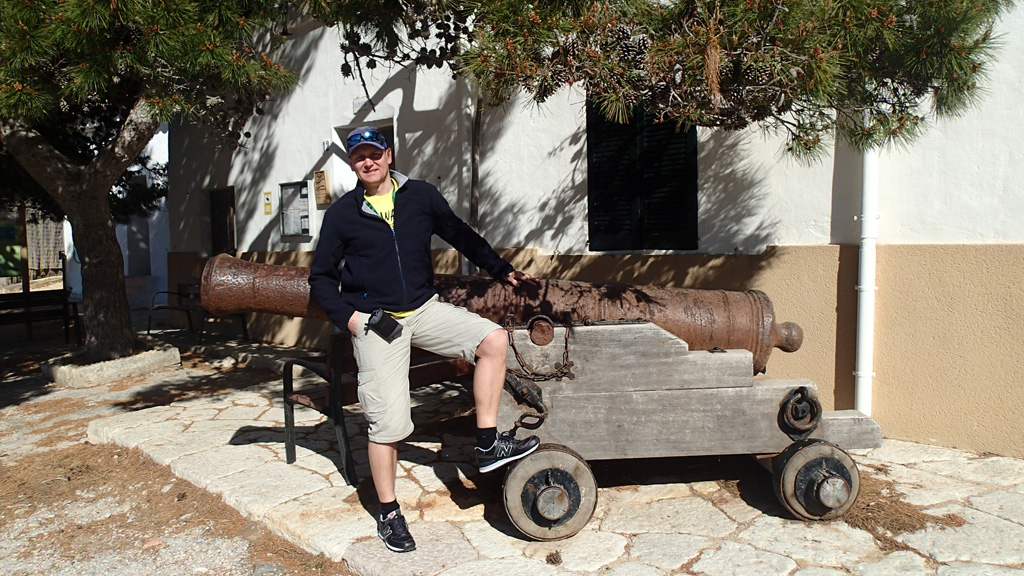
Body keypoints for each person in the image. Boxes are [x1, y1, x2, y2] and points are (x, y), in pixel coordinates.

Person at [308, 126, 541, 553]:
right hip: (377, 322)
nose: (368, 161)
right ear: (352, 163)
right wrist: (352, 319)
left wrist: (501, 269)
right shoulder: (342, 214)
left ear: (388, 155)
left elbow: (460, 234)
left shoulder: (421, 196)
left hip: (423, 309)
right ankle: (389, 512)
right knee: (388, 425)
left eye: (374, 153)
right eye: (359, 156)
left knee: (493, 340)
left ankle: (488, 444)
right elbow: (320, 277)